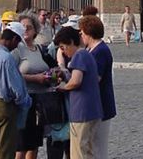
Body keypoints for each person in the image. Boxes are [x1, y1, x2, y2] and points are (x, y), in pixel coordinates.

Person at [0, 21, 32, 159]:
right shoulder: (7, 58)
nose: (16, 46)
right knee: (6, 151)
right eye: (17, 42)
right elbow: (17, 88)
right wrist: (25, 102)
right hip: (5, 106)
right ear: (14, 39)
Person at [54, 26, 102, 159]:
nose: (63, 52)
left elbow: (76, 81)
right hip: (93, 110)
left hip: (82, 111)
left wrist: (63, 87)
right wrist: (65, 76)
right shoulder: (87, 54)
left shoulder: (79, 56)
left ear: (71, 42)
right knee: (89, 151)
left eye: (63, 47)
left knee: (78, 152)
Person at [14, 10, 56, 159]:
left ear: (35, 30)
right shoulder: (16, 50)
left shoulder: (39, 49)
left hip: (40, 103)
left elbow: (52, 67)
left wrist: (52, 76)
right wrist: (35, 78)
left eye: (29, 27)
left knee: (34, 145)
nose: (26, 30)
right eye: (23, 27)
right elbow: (12, 75)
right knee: (21, 146)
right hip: (23, 103)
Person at [80, 16, 116, 159]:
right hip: (95, 105)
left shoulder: (100, 51)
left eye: (82, 33)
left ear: (89, 33)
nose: (81, 36)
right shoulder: (91, 50)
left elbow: (95, 78)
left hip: (101, 105)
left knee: (98, 149)